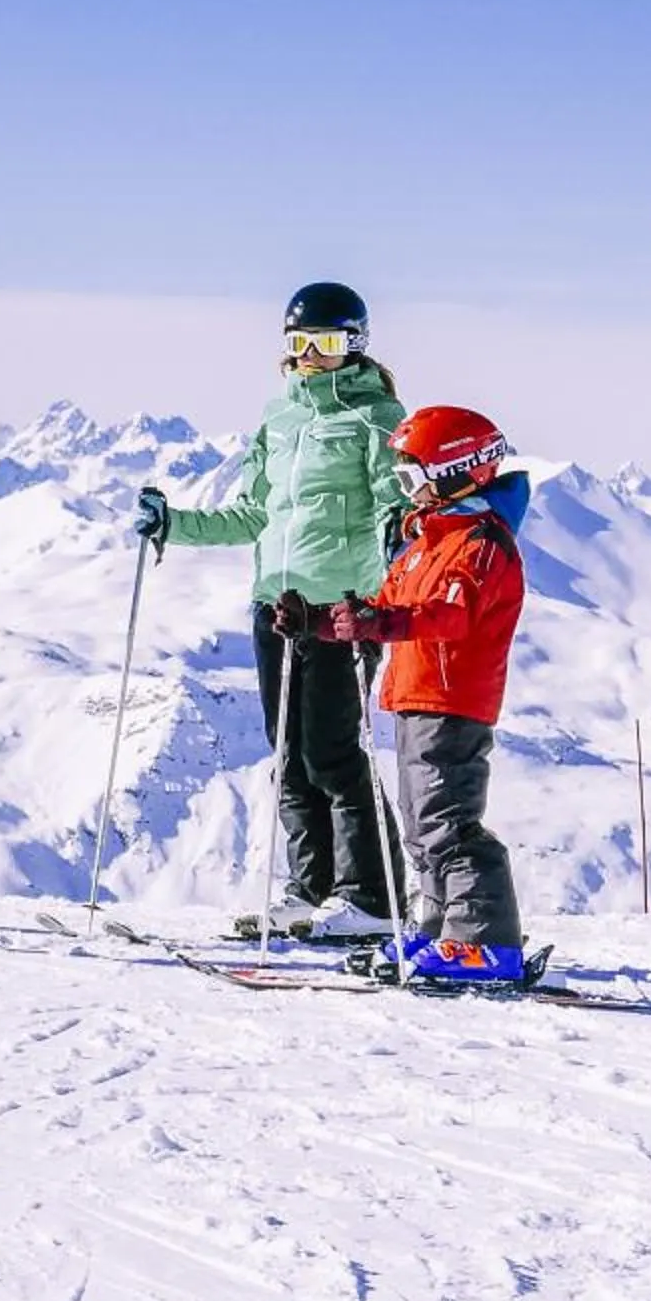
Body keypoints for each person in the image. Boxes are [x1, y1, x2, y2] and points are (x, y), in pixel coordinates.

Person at [133, 283, 407, 941]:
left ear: (357, 346)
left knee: (334, 754)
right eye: (299, 344)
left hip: (341, 608)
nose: (312, 356)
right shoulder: (279, 419)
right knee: (289, 755)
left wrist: (393, 546)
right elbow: (254, 515)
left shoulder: (376, 417)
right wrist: (176, 523)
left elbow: (388, 502)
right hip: (276, 606)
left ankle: (369, 895)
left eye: (327, 344)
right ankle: (309, 890)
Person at [303, 404, 531, 983]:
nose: (407, 488)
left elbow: (448, 616)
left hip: (453, 700)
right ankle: (440, 931)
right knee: (421, 825)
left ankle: (486, 944)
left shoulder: (481, 544)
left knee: (448, 823)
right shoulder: (427, 539)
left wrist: (379, 625)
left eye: (414, 475)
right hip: (415, 695)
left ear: (459, 470)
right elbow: (382, 609)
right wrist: (316, 622)